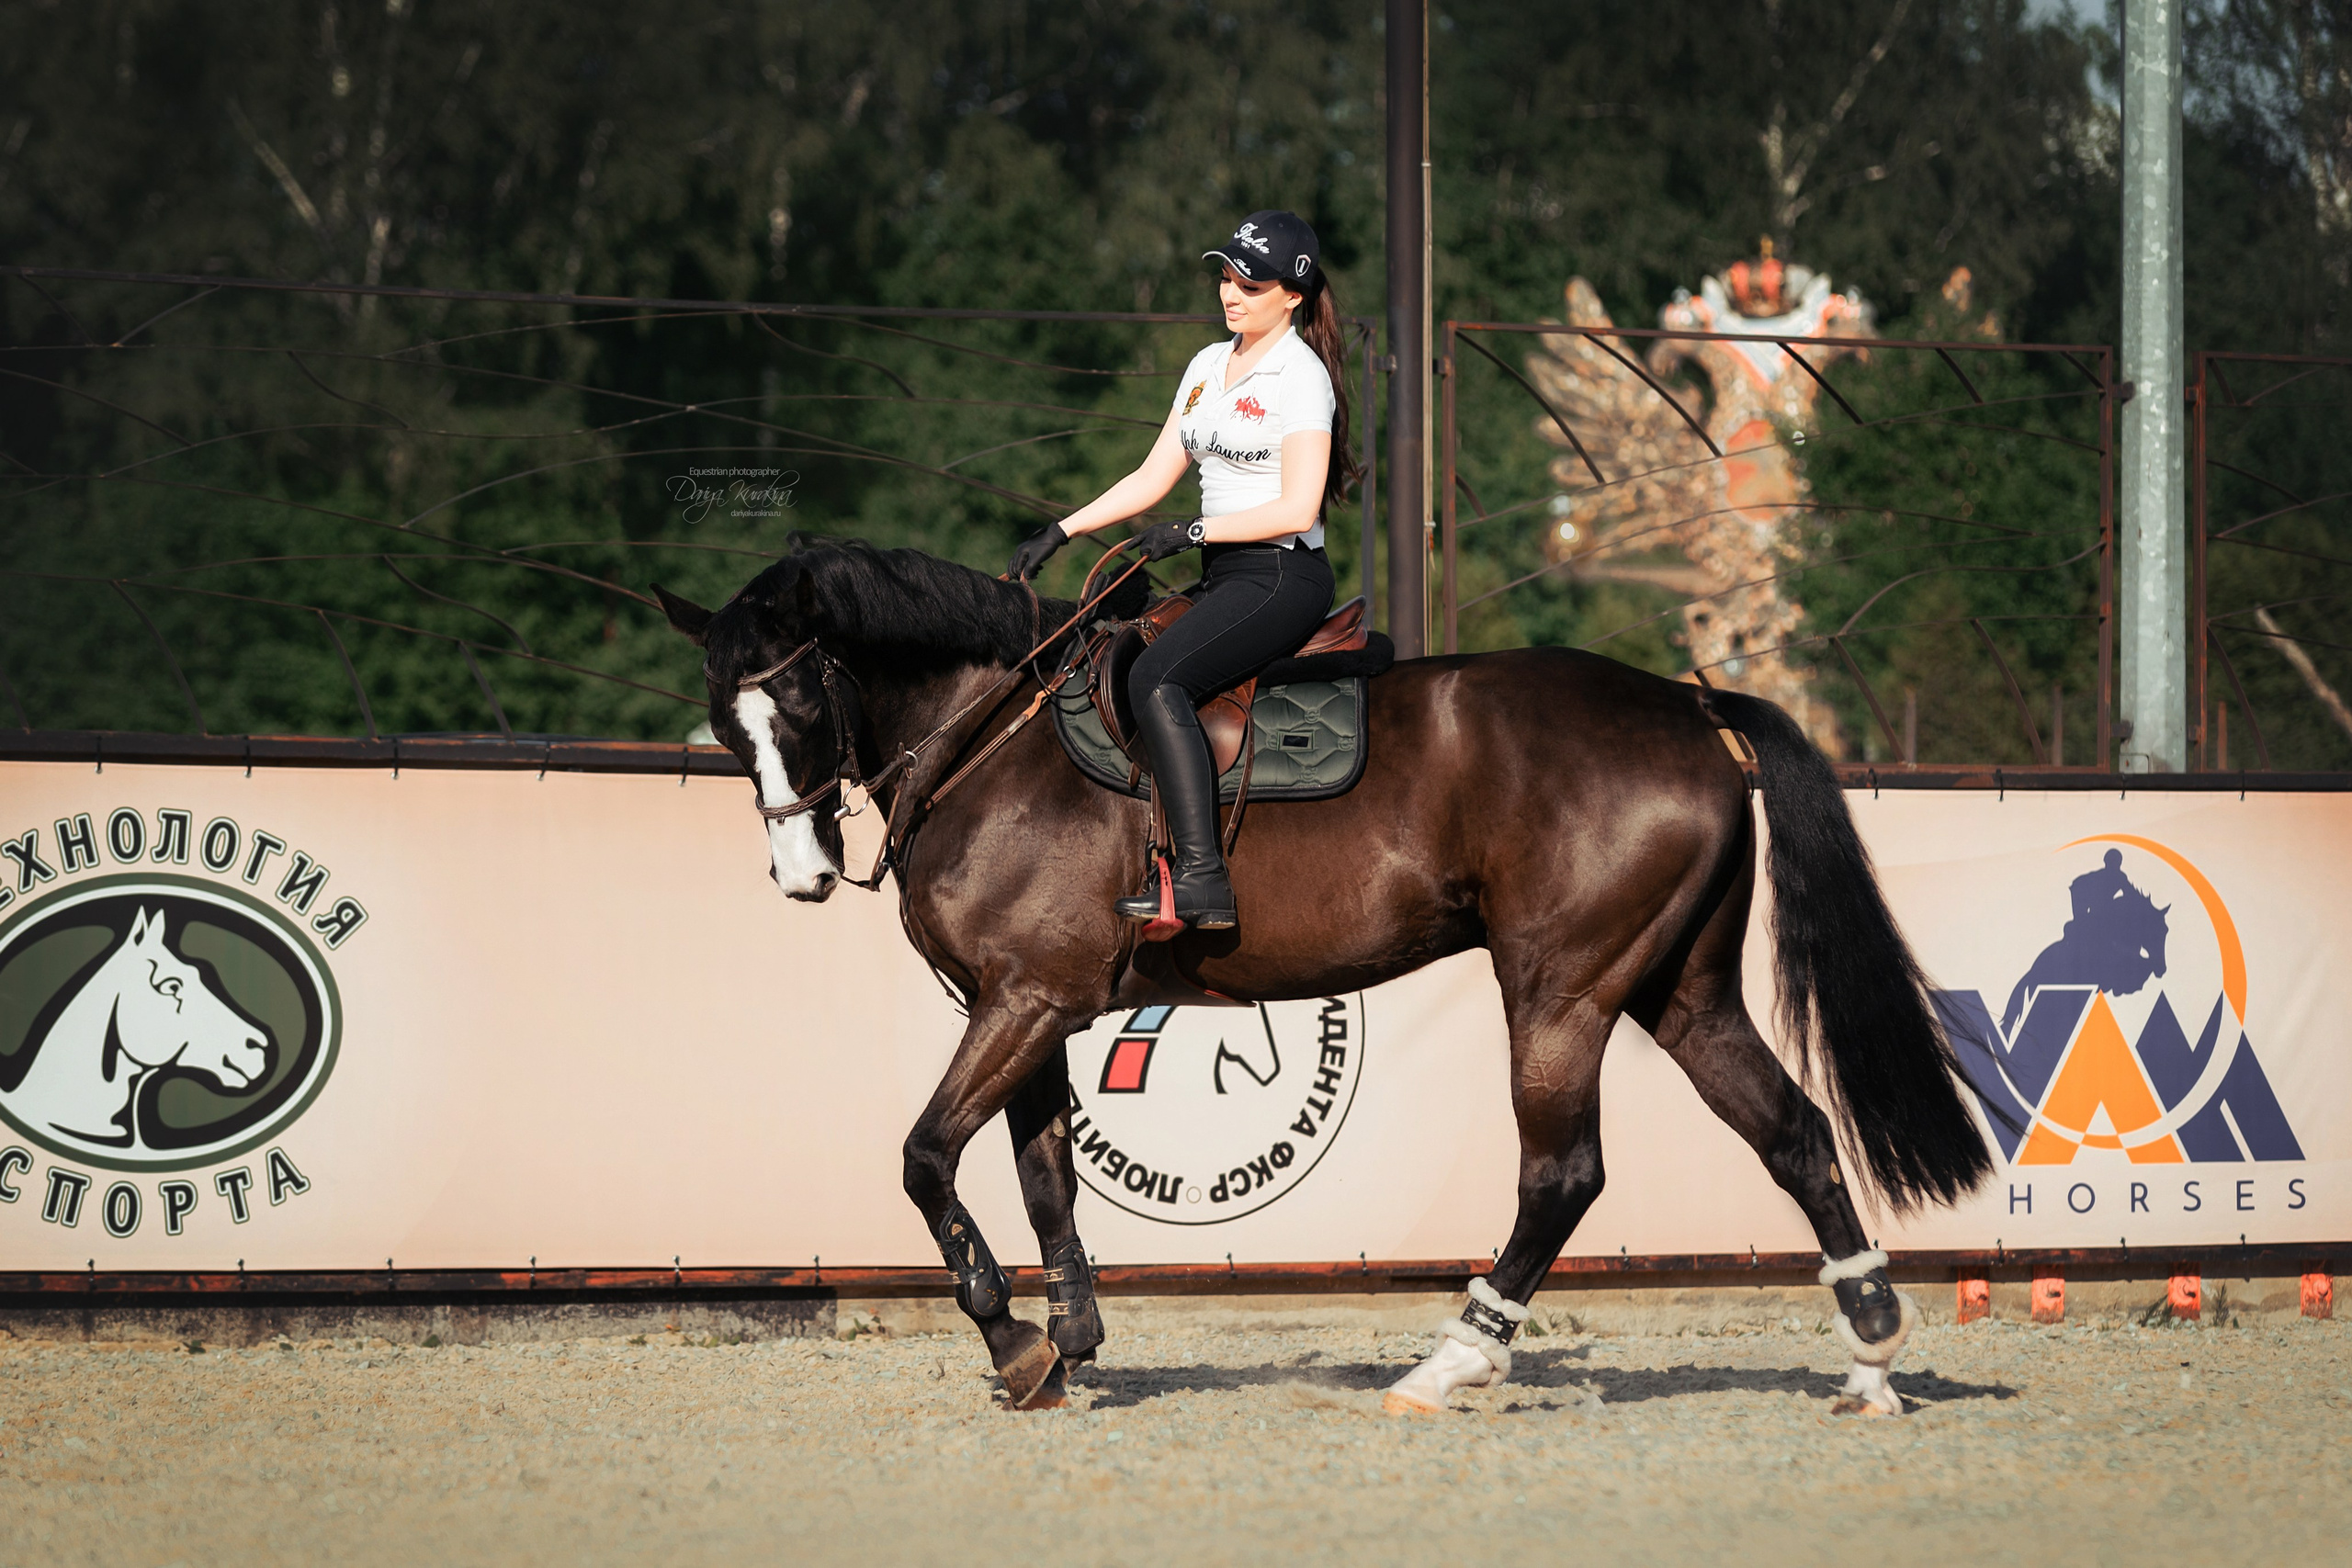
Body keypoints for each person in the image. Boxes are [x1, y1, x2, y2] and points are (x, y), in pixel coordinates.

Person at [1007, 209, 1358, 931]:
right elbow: (1152, 474)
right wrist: (1064, 527)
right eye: (1227, 275)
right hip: (1228, 572)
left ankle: (1202, 880)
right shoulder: (1206, 366)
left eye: (1251, 283)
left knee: (1155, 676)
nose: (1231, 292)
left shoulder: (1302, 377)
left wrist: (1195, 529)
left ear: (1292, 295)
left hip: (1283, 575)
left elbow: (1296, 508)